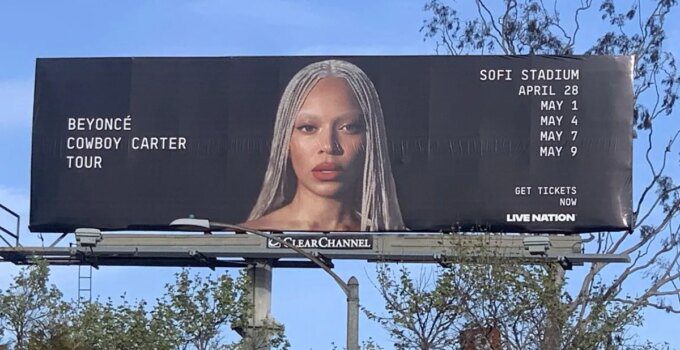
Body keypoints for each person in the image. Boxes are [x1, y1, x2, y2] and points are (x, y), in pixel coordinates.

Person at [243, 59, 404, 232]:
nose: (328, 146)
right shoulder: (245, 237)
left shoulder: (397, 243)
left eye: (348, 127)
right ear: (286, 141)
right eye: (308, 128)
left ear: (371, 139)